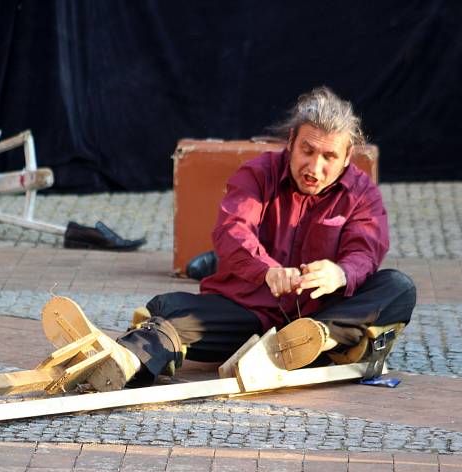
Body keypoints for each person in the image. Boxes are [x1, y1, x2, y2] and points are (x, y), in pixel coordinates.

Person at [46, 86, 416, 391]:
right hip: (248, 311)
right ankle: (119, 361)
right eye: (307, 151)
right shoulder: (257, 174)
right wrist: (267, 271)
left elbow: (366, 251)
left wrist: (339, 272)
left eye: (329, 157)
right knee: (174, 315)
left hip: (321, 315)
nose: (314, 167)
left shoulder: (362, 193)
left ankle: (312, 340)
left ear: (349, 156)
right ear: (291, 141)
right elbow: (231, 233)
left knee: (398, 287)